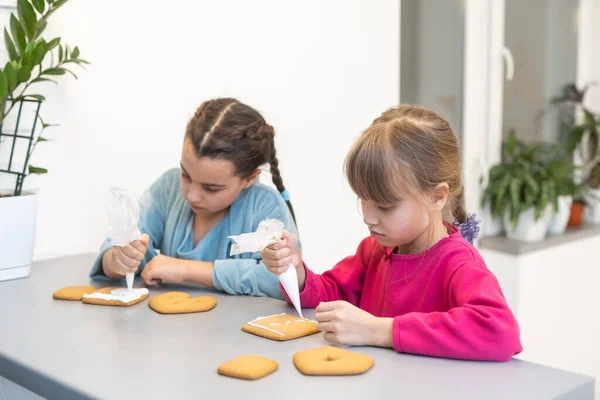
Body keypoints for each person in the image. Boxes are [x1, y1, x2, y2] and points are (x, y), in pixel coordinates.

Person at [261, 105, 522, 361]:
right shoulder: (373, 250)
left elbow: (499, 332)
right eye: (363, 199)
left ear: (436, 197)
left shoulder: (459, 264)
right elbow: (331, 295)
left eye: (385, 206)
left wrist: (379, 330)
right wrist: (295, 271)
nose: (368, 217)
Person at [90, 98, 297, 299]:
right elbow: (120, 247)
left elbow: (281, 280)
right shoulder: (167, 188)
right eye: (186, 175)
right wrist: (117, 261)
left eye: (212, 188)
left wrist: (189, 270)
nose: (192, 195)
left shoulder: (266, 208)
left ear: (249, 179)